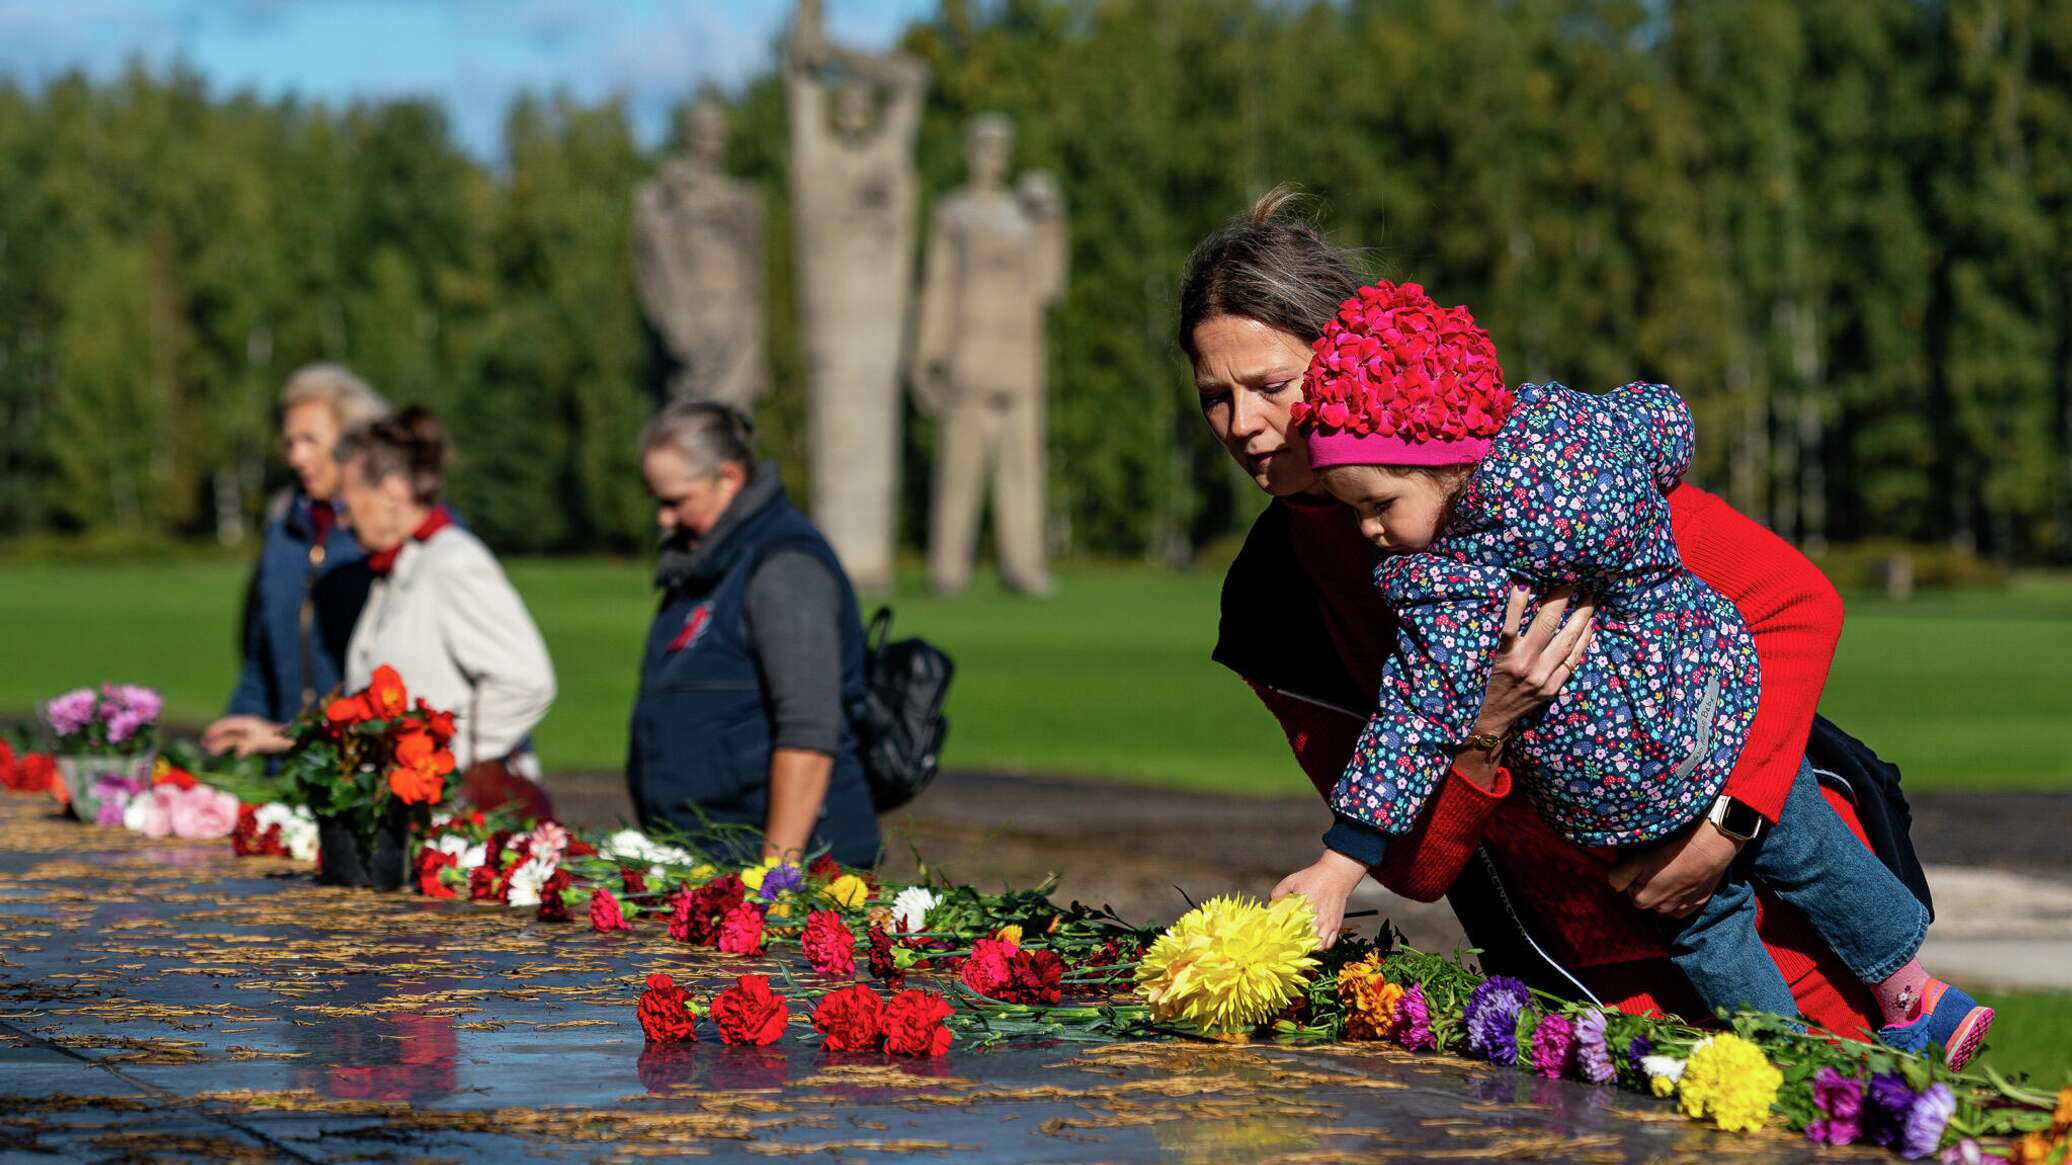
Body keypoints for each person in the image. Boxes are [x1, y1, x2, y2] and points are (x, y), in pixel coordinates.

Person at [1183, 190, 1927, 1043]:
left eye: (1270, 385)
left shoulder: (1529, 477)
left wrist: (1728, 826)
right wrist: (1486, 727)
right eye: (1214, 397)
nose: (1243, 425)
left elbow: (1798, 605)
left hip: (1779, 910)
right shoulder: (1270, 604)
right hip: (1580, 972)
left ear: (1348, 361)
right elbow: (1421, 869)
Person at [626, 401, 880, 867]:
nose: (664, 519)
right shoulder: (703, 565)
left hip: (792, 868)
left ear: (729, 478)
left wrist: (775, 879)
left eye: (675, 501)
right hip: (712, 857)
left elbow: (808, 731)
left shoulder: (786, 569)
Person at [335, 407, 557, 816]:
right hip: (416, 811)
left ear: (392, 490)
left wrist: (444, 759)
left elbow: (527, 681)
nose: (343, 517)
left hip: (459, 821)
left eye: (348, 497)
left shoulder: (453, 561)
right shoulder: (404, 564)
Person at [203, 365, 388, 759]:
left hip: (361, 771)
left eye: (310, 440)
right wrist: (230, 746)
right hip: (284, 769)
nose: (296, 456)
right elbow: (259, 663)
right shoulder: (282, 530)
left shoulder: (384, 541)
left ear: (355, 445)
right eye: (289, 443)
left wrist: (285, 736)